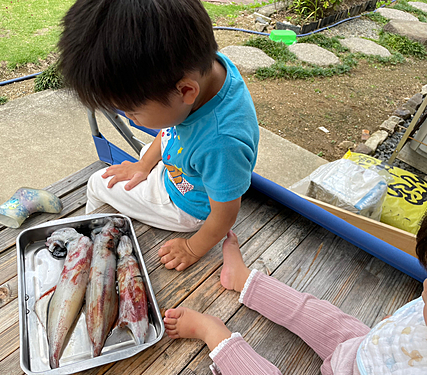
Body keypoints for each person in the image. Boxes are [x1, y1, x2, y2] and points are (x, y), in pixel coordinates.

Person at [57, 0, 259, 271]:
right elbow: (169, 130)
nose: (129, 118)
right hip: (184, 167)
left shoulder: (222, 143)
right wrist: (143, 165)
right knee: (146, 152)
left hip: (186, 206)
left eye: (132, 110)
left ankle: (84, 249)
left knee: (97, 182)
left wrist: (191, 247)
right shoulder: (203, 70)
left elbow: (225, 215)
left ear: (186, 92)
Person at [164, 226, 427, 374]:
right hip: (364, 349)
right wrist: (394, 325)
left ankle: (213, 333)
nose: (424, 285)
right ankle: (241, 278)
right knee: (317, 314)